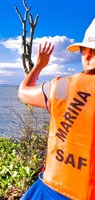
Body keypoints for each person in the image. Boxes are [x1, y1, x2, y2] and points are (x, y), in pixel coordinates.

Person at [18, 18, 95, 200]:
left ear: (89, 54)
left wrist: (39, 65)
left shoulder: (62, 87)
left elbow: (23, 92)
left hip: (54, 189)